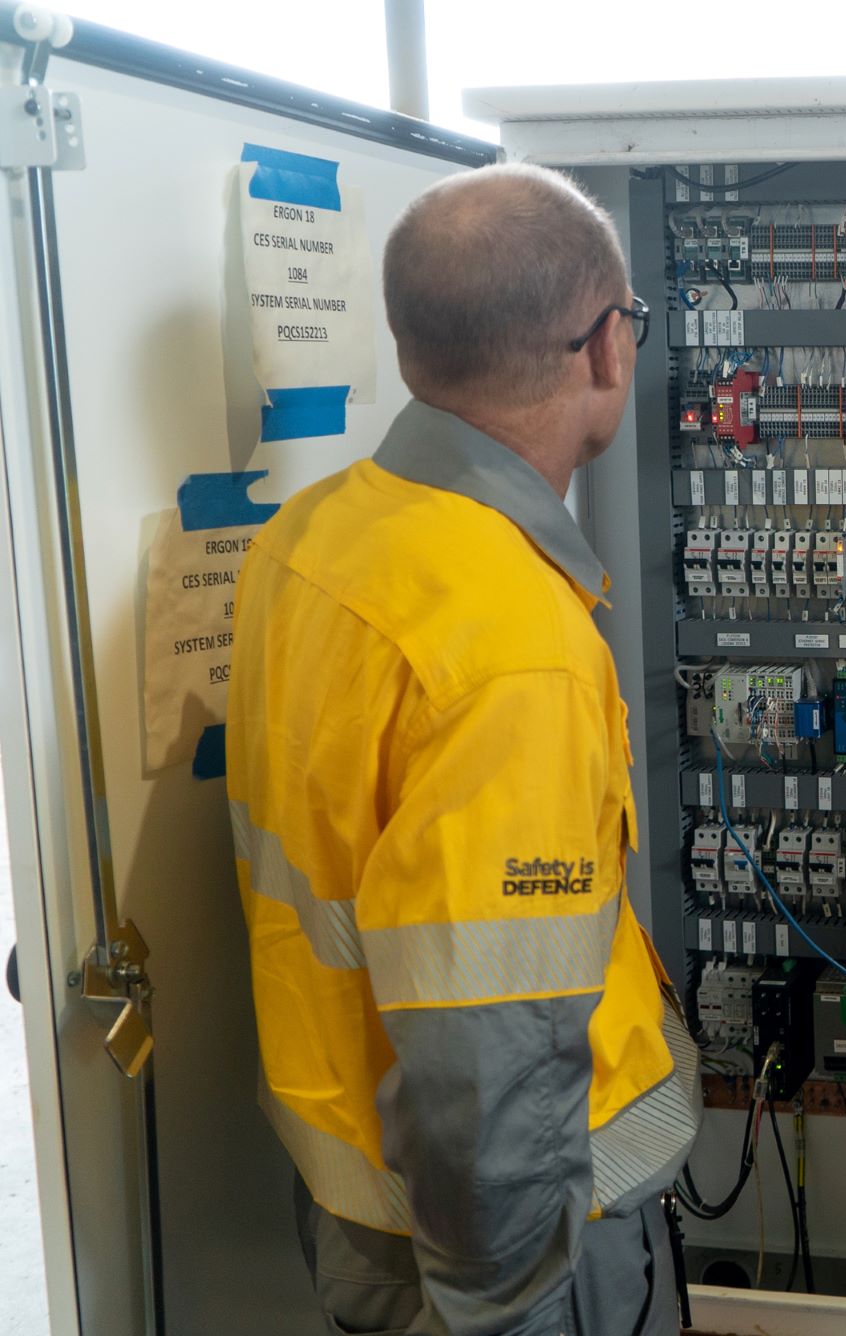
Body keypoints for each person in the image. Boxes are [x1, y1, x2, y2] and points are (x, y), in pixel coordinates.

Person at [227, 163, 697, 1336]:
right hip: (513, 1256)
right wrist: (506, 1310)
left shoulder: (307, 539)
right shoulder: (510, 647)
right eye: (629, 321)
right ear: (602, 349)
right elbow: (494, 1047)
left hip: (362, 1204)